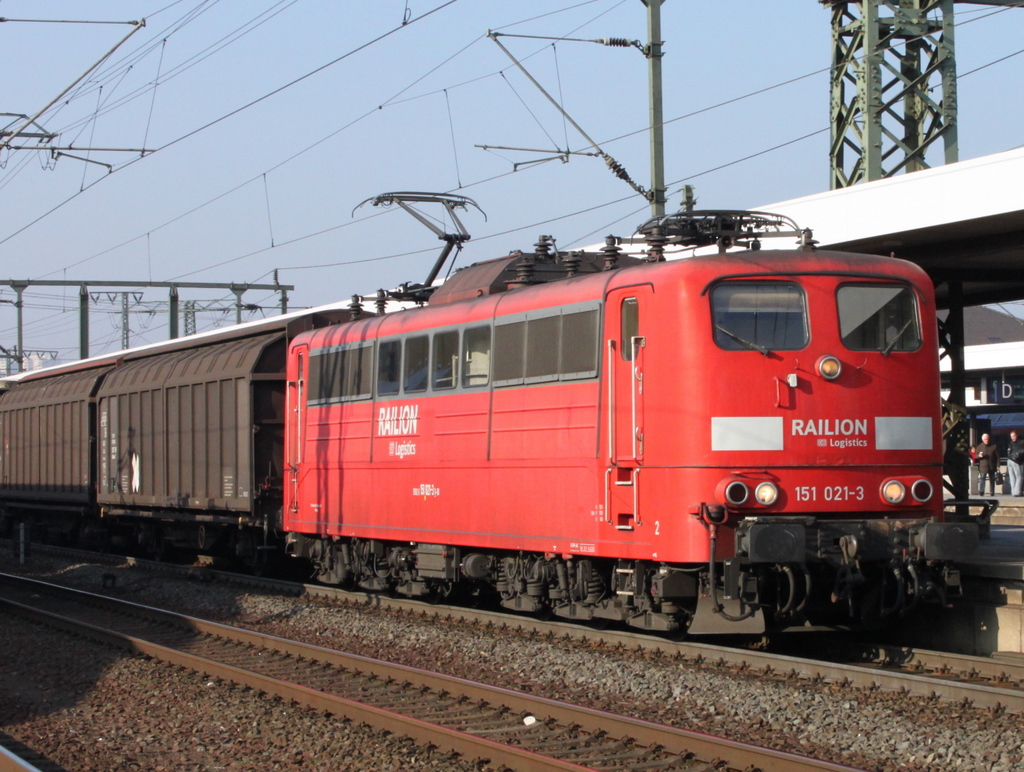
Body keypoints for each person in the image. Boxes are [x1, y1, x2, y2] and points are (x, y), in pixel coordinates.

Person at [1009, 430, 1024, 497]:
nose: (1013, 438)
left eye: (1014, 436)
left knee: (1013, 477)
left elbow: (1009, 451)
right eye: (1011, 437)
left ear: (1017, 435)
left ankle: (1014, 491)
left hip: (1011, 459)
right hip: (1016, 460)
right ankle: (1017, 492)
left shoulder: (1012, 443)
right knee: (1019, 476)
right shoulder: (1020, 442)